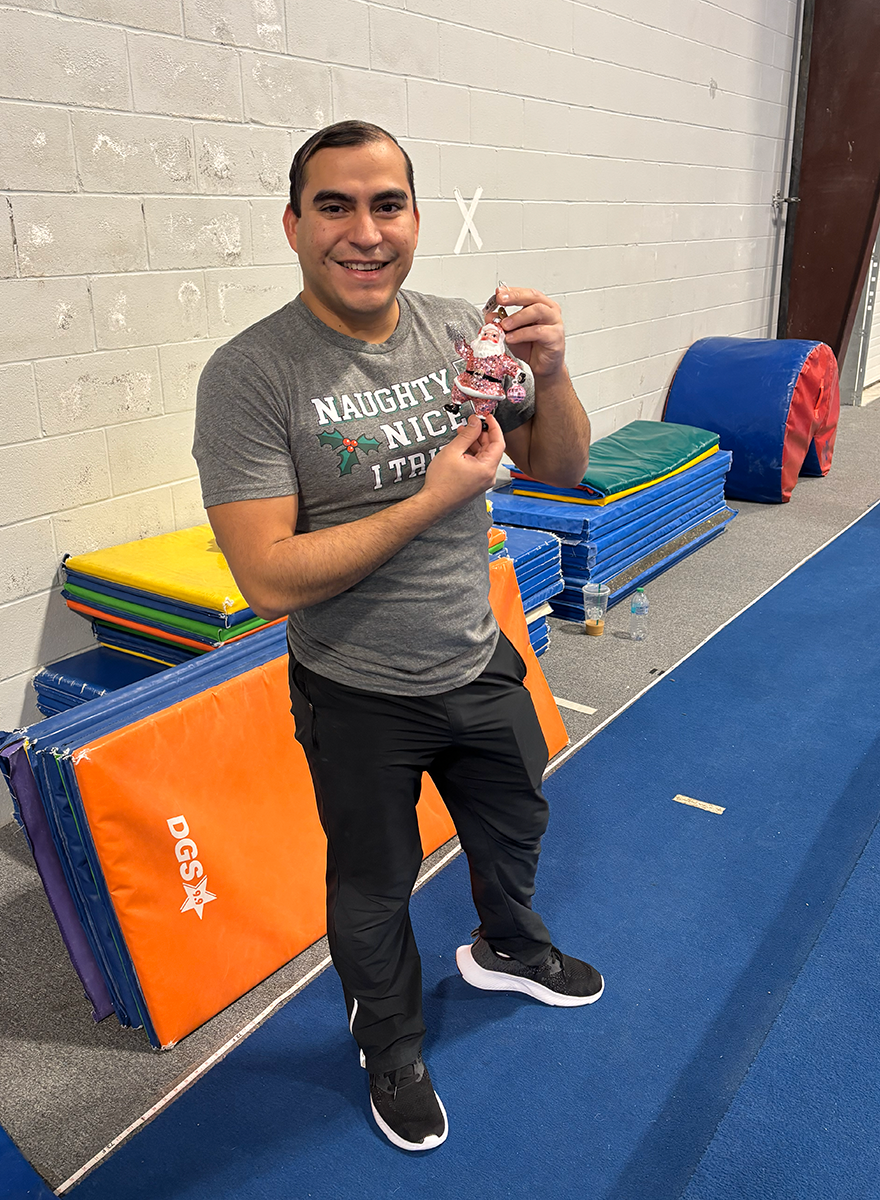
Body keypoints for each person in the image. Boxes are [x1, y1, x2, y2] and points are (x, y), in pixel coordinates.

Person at [193, 120, 602, 1153]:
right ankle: (390, 1044)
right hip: (356, 691)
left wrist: (551, 374)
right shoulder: (252, 375)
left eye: (387, 205)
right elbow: (267, 576)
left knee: (517, 825)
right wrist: (429, 501)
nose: (364, 231)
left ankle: (507, 946)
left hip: (476, 658)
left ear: (417, 218)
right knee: (371, 891)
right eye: (335, 205)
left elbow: (554, 471)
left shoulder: (462, 330)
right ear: (292, 225)